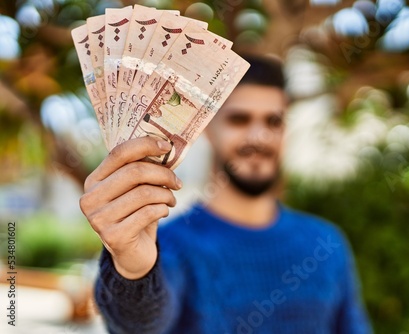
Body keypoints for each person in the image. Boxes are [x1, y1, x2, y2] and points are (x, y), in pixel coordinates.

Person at [80, 55, 372, 334]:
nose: (259, 137)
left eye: (273, 121)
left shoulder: (326, 243)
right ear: (206, 129)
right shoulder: (170, 245)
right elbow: (139, 327)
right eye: (240, 120)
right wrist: (134, 270)